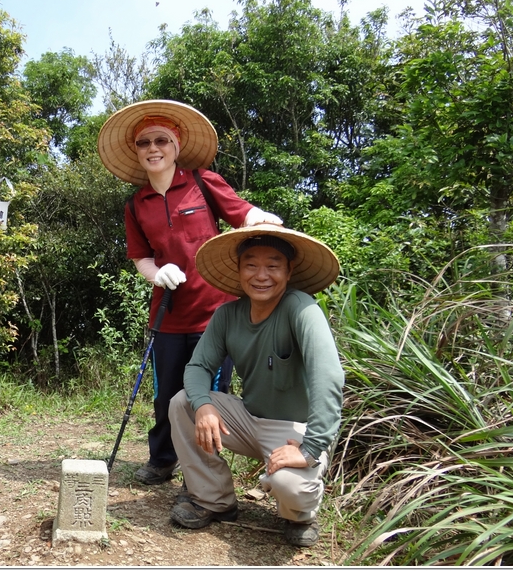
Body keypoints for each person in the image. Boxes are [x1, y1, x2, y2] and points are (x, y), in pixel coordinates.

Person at [97, 100, 283, 486]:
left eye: (161, 140)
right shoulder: (136, 203)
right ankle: (162, 459)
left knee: (208, 398)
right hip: (166, 314)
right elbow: (140, 257)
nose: (153, 148)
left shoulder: (201, 181)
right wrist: (156, 273)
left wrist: (260, 219)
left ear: (176, 146)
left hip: (216, 313)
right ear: (137, 150)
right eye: (144, 142)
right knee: (166, 395)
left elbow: (240, 212)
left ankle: (201, 476)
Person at [167, 224, 344, 548]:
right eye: (251, 264)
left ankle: (299, 516)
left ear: (289, 271)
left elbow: (327, 375)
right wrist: (204, 406)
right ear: (239, 270)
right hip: (249, 420)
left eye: (273, 265)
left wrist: (311, 447)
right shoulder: (227, 315)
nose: (261, 275)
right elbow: (197, 367)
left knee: (294, 489)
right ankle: (214, 499)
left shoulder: (301, 308)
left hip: (295, 430)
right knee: (183, 403)